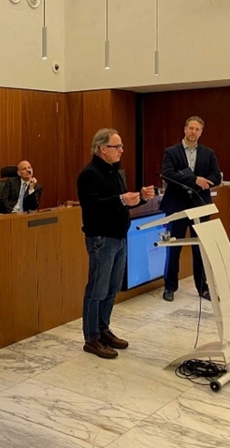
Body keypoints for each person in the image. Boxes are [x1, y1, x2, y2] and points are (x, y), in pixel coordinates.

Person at [77, 129, 155, 359]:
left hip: (119, 237)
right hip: (101, 239)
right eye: (117, 146)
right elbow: (93, 206)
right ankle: (91, 338)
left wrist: (140, 197)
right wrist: (121, 199)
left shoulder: (115, 171)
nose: (121, 150)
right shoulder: (89, 174)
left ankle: (103, 329)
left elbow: (122, 203)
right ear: (103, 148)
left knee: (111, 289)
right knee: (97, 290)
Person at [160, 116, 221, 302]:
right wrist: (195, 180)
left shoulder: (208, 153)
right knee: (173, 249)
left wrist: (202, 182)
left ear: (201, 132)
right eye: (191, 128)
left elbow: (216, 177)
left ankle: (203, 288)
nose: (193, 132)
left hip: (200, 206)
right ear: (185, 129)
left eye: (197, 129)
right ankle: (170, 287)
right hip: (176, 206)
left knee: (200, 249)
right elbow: (168, 175)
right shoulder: (171, 152)